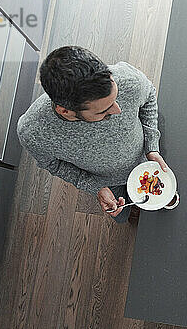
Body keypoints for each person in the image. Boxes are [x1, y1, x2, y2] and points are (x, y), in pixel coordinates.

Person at [17, 46, 168, 223]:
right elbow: (53, 165)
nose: (118, 110)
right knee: (124, 216)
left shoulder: (128, 81)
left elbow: (149, 95)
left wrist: (152, 148)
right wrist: (95, 187)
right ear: (65, 111)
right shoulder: (33, 133)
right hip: (108, 182)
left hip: (149, 159)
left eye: (115, 98)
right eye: (104, 111)